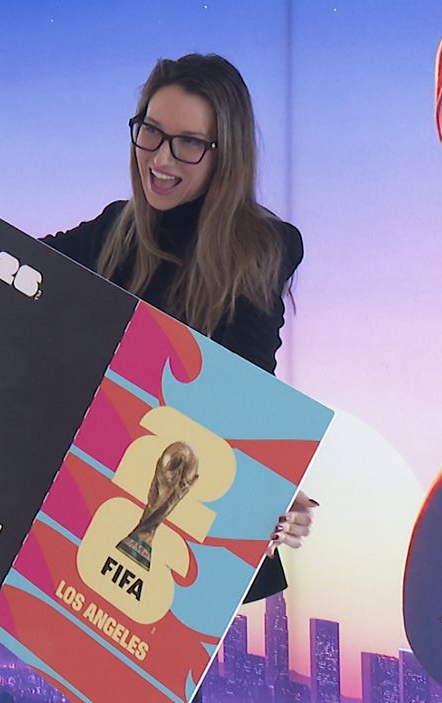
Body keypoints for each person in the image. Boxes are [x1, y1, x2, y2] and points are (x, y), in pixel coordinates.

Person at [41, 53, 317, 604]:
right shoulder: (115, 228)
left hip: (172, 533)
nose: (161, 158)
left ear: (225, 154)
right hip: (78, 501)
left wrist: (269, 491)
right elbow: (17, 271)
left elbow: (247, 395)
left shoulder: (261, 249)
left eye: (189, 142)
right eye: (151, 131)